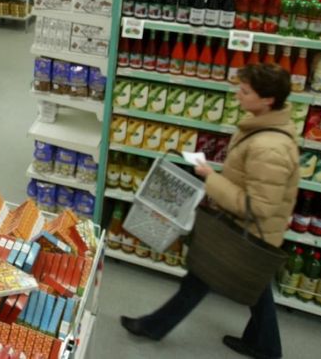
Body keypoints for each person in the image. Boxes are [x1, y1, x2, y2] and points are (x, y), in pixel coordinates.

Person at [121, 63, 300, 359]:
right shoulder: (264, 127)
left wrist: (210, 178)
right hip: (251, 234)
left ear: (268, 100)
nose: (237, 96)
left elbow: (258, 207)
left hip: (250, 233)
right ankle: (265, 347)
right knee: (252, 286)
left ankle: (153, 327)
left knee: (206, 277)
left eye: (245, 91)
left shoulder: (270, 148)